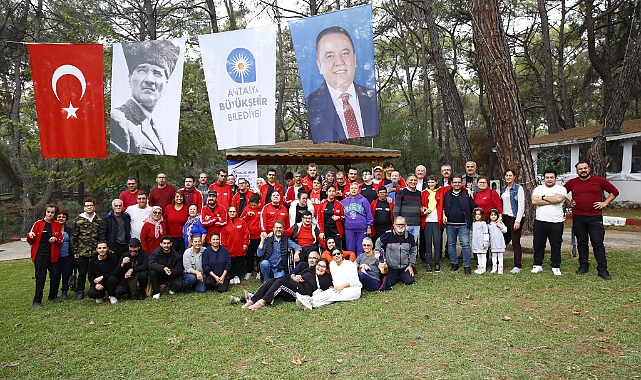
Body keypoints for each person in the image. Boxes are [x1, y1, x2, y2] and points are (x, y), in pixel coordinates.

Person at [305, 26, 378, 144]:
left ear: (354, 58)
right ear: (319, 65)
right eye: (330, 56)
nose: (339, 62)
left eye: (344, 53)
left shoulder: (372, 97)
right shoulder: (311, 104)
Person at [110, 39, 180, 154]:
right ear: (129, 78)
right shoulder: (119, 120)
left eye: (157, 73)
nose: (150, 80)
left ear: (166, 84)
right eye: (142, 70)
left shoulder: (153, 126)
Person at [565, 161, 619, 280]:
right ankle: (583, 266)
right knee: (582, 242)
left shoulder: (599, 181)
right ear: (577, 171)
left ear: (589, 169)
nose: (583, 170)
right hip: (578, 217)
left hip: (595, 217)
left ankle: (602, 269)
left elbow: (614, 192)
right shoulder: (572, 183)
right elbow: (561, 193)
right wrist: (569, 202)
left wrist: (605, 203)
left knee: (597, 243)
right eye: (580, 169)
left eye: (585, 168)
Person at [240, 257, 332, 310]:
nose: (320, 268)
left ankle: (262, 302)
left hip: (299, 294)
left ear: (326, 269)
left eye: (323, 267)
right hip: (292, 285)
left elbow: (330, 290)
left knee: (281, 282)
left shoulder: (326, 279)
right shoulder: (310, 270)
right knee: (271, 280)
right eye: (319, 265)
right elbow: (296, 275)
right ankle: (252, 300)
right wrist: (296, 277)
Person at [296, 248, 362, 311]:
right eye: (334, 254)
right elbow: (336, 281)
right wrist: (337, 287)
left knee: (332, 293)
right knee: (332, 296)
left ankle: (309, 299)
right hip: (339, 289)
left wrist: (342, 286)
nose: (336, 256)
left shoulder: (350, 264)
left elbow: (354, 281)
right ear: (332, 257)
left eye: (338, 253)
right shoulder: (332, 265)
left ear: (342, 254)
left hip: (353, 290)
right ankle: (312, 304)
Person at [531, 168, 567, 276]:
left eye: (551, 177)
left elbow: (559, 199)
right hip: (540, 221)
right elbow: (534, 201)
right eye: (547, 177)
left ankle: (555, 266)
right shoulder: (538, 188)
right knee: (538, 244)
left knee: (556, 244)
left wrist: (542, 199)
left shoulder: (561, 189)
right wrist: (552, 200)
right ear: (544, 178)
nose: (549, 179)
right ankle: (537, 265)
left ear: (555, 178)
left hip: (556, 222)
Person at [28, 203, 63, 307]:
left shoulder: (57, 224)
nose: (50, 214)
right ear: (45, 212)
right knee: (40, 277)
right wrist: (30, 236)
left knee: (55, 276)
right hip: (40, 255)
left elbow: (60, 239)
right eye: (48, 212)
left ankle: (52, 296)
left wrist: (56, 239)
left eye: (52, 212)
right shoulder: (38, 224)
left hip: (53, 255)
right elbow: (31, 240)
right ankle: (37, 300)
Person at [442, 175, 478, 274]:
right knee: (451, 244)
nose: (457, 184)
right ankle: (454, 263)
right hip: (450, 224)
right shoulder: (447, 194)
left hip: (463, 224)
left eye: (459, 182)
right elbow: (443, 207)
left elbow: (474, 207)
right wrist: (443, 216)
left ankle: (467, 265)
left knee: (465, 244)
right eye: (455, 182)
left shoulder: (466, 194)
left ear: (461, 183)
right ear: (451, 183)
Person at [70, 197, 102, 301]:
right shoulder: (78, 220)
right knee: (82, 272)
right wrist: (75, 251)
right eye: (87, 205)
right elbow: (74, 237)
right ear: (84, 207)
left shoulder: (99, 220)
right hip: (82, 251)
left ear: (94, 206)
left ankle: (95, 288)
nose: (89, 207)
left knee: (95, 271)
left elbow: (101, 236)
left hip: (96, 251)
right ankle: (80, 291)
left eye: (91, 205)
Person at [374, 216, 417, 289]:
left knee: (410, 281)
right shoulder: (388, 235)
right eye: (398, 225)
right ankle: (395, 276)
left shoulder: (410, 237)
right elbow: (378, 242)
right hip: (391, 267)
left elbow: (413, 251)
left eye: (402, 224)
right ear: (394, 225)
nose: (400, 226)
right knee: (390, 283)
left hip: (404, 267)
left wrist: (410, 265)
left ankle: (402, 275)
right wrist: (377, 251)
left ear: (406, 225)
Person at [500, 169, 525, 273]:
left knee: (515, 242)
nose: (508, 177)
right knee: (502, 241)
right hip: (505, 217)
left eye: (510, 175)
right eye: (507, 175)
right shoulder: (503, 189)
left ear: (514, 177)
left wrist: (518, 220)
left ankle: (517, 265)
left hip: (515, 218)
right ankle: (498, 262)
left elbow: (521, 205)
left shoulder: (518, 188)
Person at [341, 182, 373, 256]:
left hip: (361, 228)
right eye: (352, 188)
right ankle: (352, 264)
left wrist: (369, 226)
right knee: (350, 249)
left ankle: (361, 265)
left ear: (358, 190)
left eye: (355, 188)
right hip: (349, 229)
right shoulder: (344, 201)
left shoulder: (364, 200)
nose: (354, 190)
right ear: (349, 189)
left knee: (361, 248)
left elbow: (369, 214)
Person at [420, 175, 444, 273]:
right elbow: (420, 206)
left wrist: (466, 188)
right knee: (428, 242)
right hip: (427, 221)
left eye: (432, 182)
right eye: (429, 182)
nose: (431, 184)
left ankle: (437, 262)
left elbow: (452, 186)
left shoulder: (441, 191)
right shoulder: (424, 193)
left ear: (436, 182)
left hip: (437, 220)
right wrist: (424, 211)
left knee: (437, 242)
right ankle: (429, 263)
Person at [220, 206, 249, 285]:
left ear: (236, 212)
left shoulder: (242, 222)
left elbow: (246, 233)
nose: (232, 213)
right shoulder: (225, 224)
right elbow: (223, 238)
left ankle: (237, 276)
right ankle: (232, 276)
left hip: (240, 248)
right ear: (228, 213)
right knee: (231, 263)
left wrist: (245, 243)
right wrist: (225, 248)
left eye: (234, 211)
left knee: (240, 262)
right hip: (230, 248)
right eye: (230, 212)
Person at [393, 173, 422, 244]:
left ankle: (413, 256)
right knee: (404, 245)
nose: (413, 182)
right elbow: (396, 209)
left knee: (413, 244)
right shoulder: (401, 193)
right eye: (411, 180)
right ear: (407, 181)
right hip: (404, 224)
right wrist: (397, 222)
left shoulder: (419, 193)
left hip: (416, 224)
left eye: (415, 180)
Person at [240, 193, 263, 280]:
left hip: (259, 237)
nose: (252, 206)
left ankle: (259, 272)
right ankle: (249, 272)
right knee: (249, 255)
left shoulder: (262, 209)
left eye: (254, 205)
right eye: (251, 205)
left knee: (259, 255)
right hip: (250, 237)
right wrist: (247, 216)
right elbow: (241, 220)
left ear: (258, 203)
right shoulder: (247, 208)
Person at [56, 210, 74, 300]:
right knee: (56, 275)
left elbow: (73, 242)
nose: (61, 218)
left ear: (66, 219)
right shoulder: (52, 229)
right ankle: (54, 292)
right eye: (59, 217)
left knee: (66, 275)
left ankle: (64, 291)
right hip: (56, 257)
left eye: (63, 217)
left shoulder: (69, 230)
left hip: (68, 256)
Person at [487, 208, 507, 274]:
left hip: (500, 243)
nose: (493, 216)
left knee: (500, 255)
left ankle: (500, 267)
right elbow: (487, 234)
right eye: (492, 215)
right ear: (489, 216)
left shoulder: (500, 223)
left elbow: (505, 230)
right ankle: (494, 267)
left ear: (497, 216)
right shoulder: (488, 225)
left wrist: (500, 226)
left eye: (495, 215)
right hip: (493, 243)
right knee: (494, 255)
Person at [471, 208, 489, 274]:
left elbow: (486, 233)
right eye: (476, 214)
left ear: (482, 215)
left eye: (479, 214)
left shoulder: (483, 224)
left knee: (483, 254)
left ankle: (483, 267)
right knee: (478, 254)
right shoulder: (474, 223)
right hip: (476, 242)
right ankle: (479, 266)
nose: (477, 216)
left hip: (482, 242)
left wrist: (485, 242)